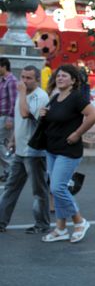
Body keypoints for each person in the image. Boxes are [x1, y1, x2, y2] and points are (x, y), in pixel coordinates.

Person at [40, 65, 95, 243]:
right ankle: (60, 228)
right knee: (59, 189)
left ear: (73, 80)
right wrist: (42, 113)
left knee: (56, 188)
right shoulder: (56, 97)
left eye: (64, 76)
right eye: (58, 76)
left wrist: (77, 133)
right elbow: (52, 120)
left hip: (68, 150)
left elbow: (94, 115)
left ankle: (80, 221)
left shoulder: (76, 98)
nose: (59, 78)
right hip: (52, 149)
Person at [0, 66, 50, 234]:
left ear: (37, 79)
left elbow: (24, 114)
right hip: (20, 151)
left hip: (34, 152)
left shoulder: (40, 96)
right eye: (22, 77)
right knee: (10, 187)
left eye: (29, 78)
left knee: (38, 191)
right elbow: (18, 121)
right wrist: (13, 140)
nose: (24, 81)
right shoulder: (23, 93)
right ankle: (1, 222)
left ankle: (42, 224)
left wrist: (21, 94)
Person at [0, 57, 17, 182]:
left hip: (6, 117)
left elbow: (14, 101)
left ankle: (11, 170)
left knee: (2, 144)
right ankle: (8, 171)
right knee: (2, 144)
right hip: (1, 116)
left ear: (4, 66)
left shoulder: (11, 81)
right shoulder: (3, 80)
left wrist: (10, 119)